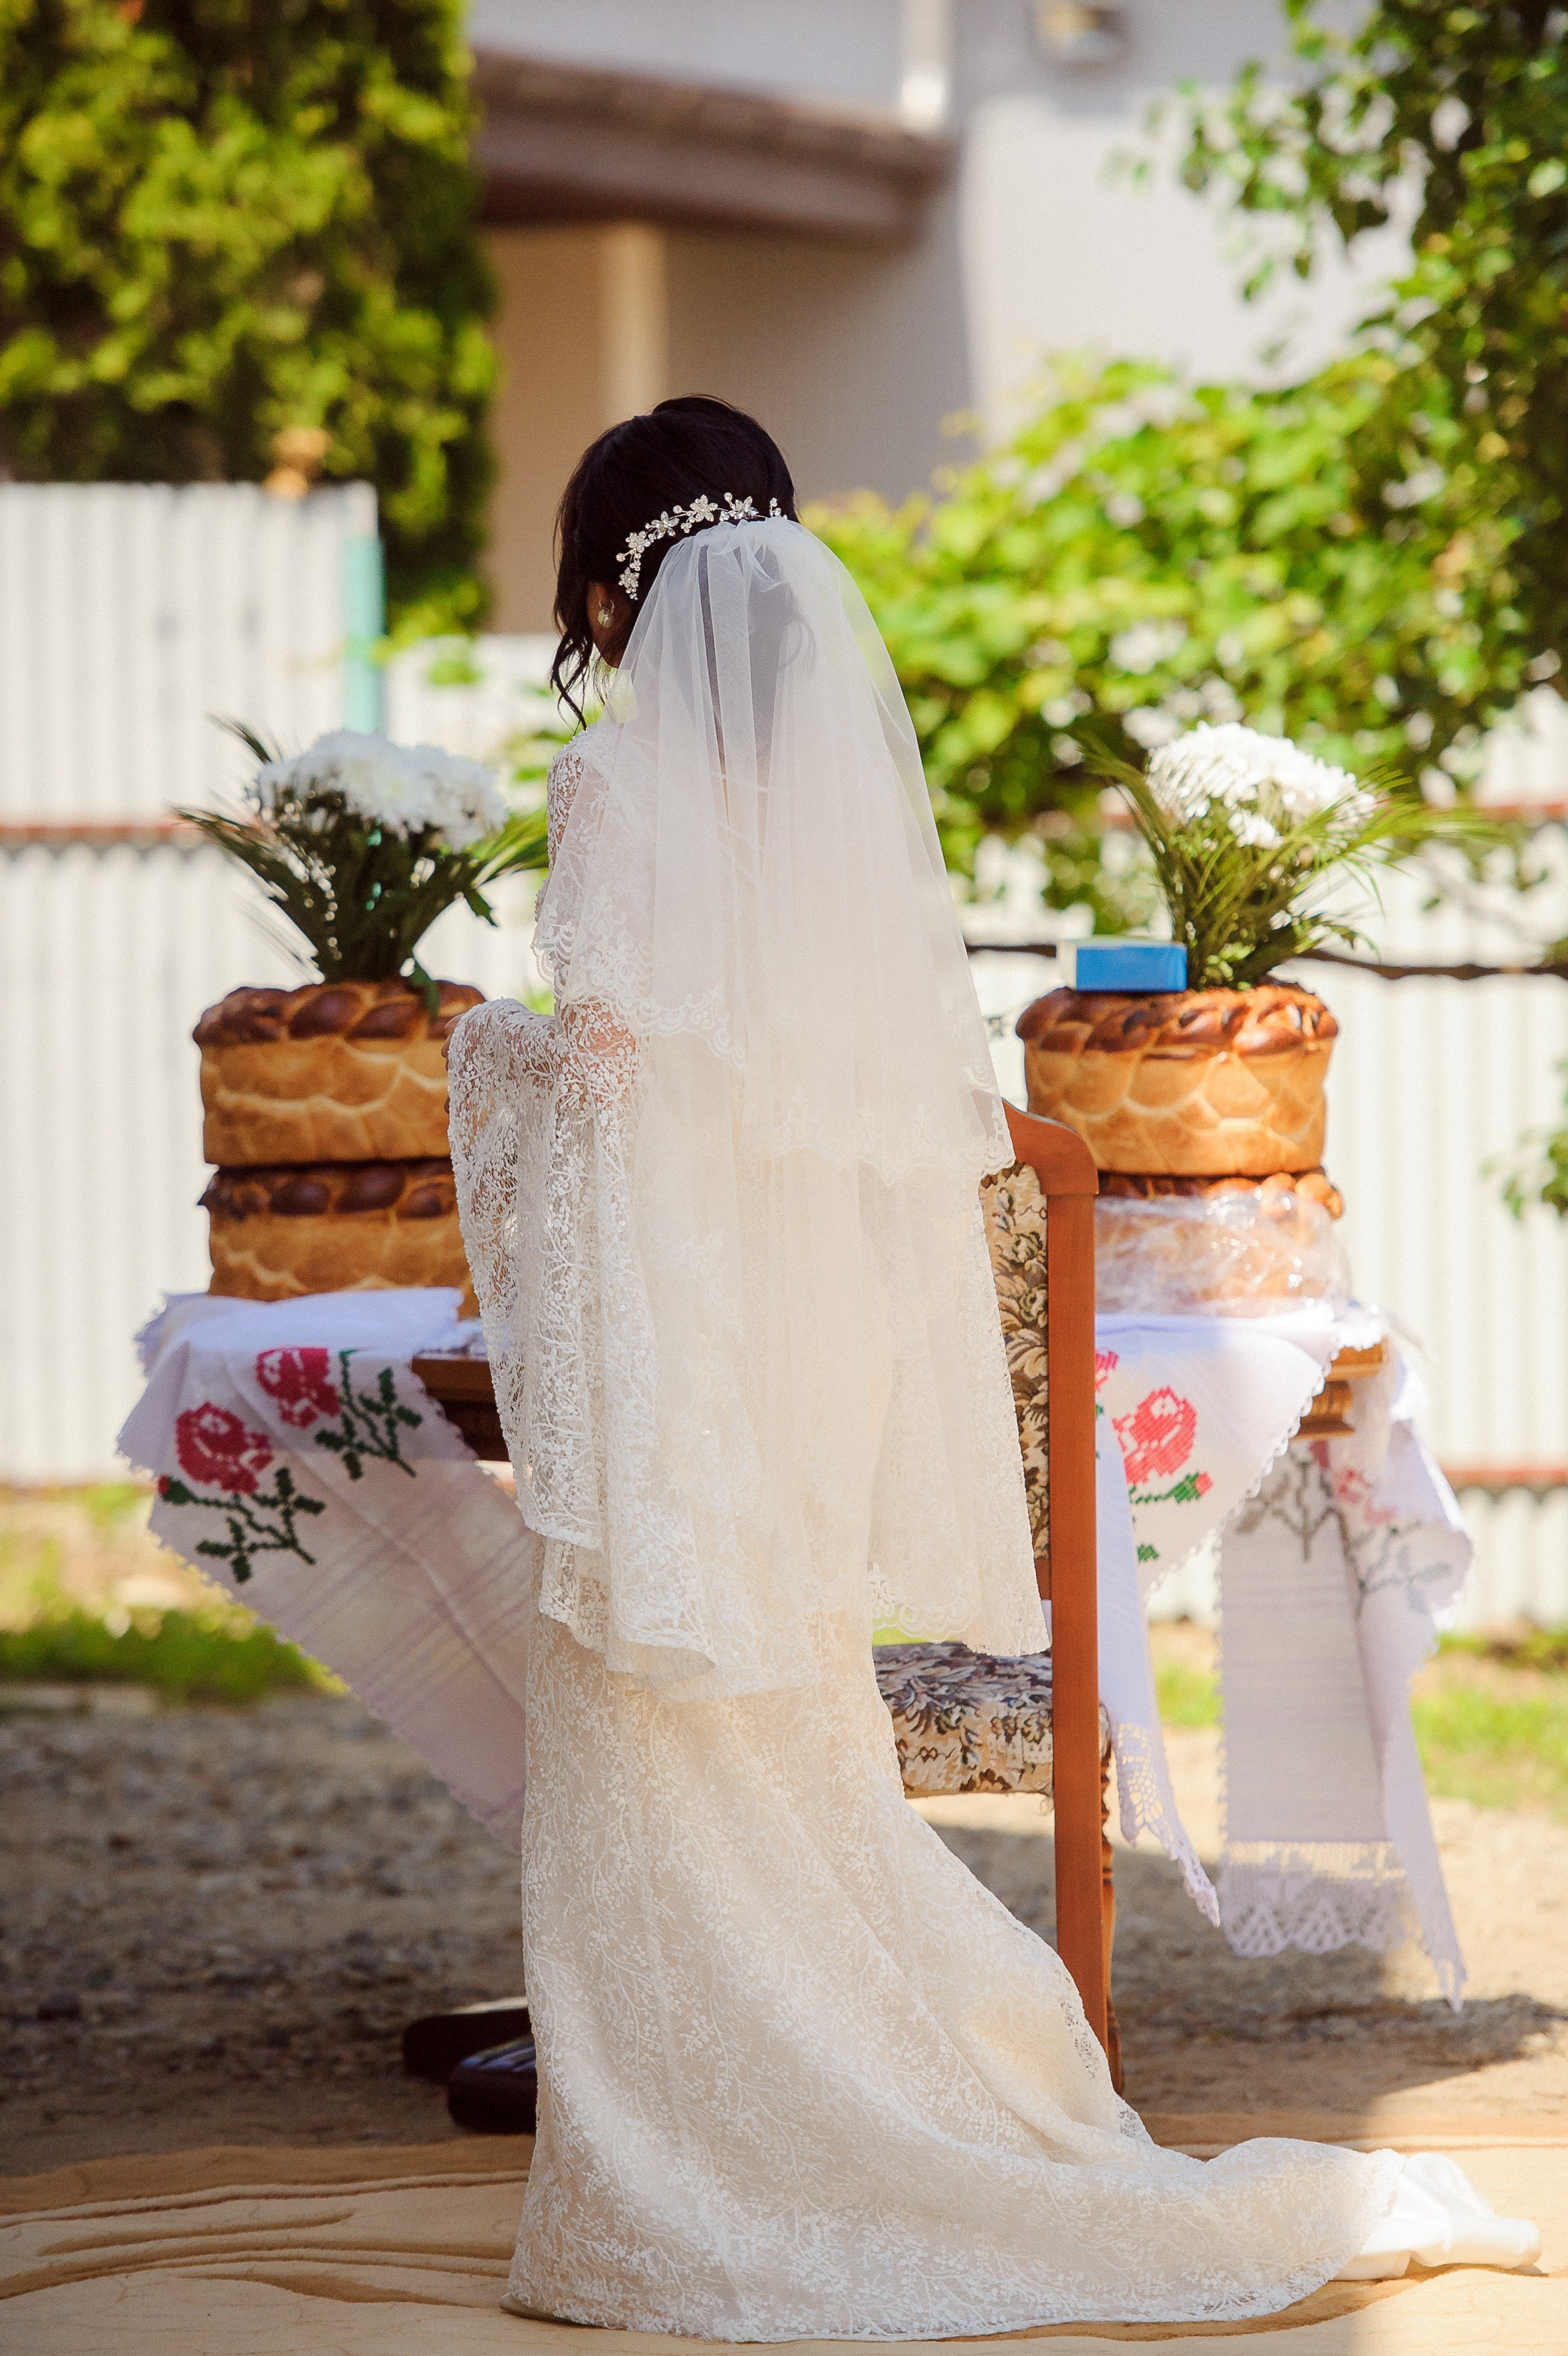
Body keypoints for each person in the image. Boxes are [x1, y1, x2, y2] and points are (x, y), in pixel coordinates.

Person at [446, 395, 1539, 2339]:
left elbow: (614, 1079)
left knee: (657, 1734)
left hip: (679, 1344)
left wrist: (487, 1059)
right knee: (785, 1740)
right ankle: (843, 2096)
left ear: (611, 589)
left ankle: (693, 2157)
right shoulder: (831, 819)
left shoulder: (614, 782)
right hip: (806, 1361)